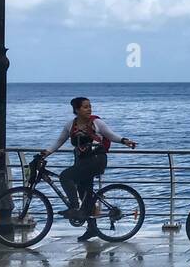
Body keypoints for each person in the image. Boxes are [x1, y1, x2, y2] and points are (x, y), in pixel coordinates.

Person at [38, 97, 137, 242]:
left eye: (90, 106)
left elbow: (110, 135)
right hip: (82, 161)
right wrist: (46, 153)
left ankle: (74, 207)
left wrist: (124, 141)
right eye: (85, 107)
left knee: (66, 176)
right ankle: (92, 228)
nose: (89, 109)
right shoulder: (70, 125)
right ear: (77, 110)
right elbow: (59, 142)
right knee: (85, 193)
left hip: (96, 159)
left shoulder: (96, 122)